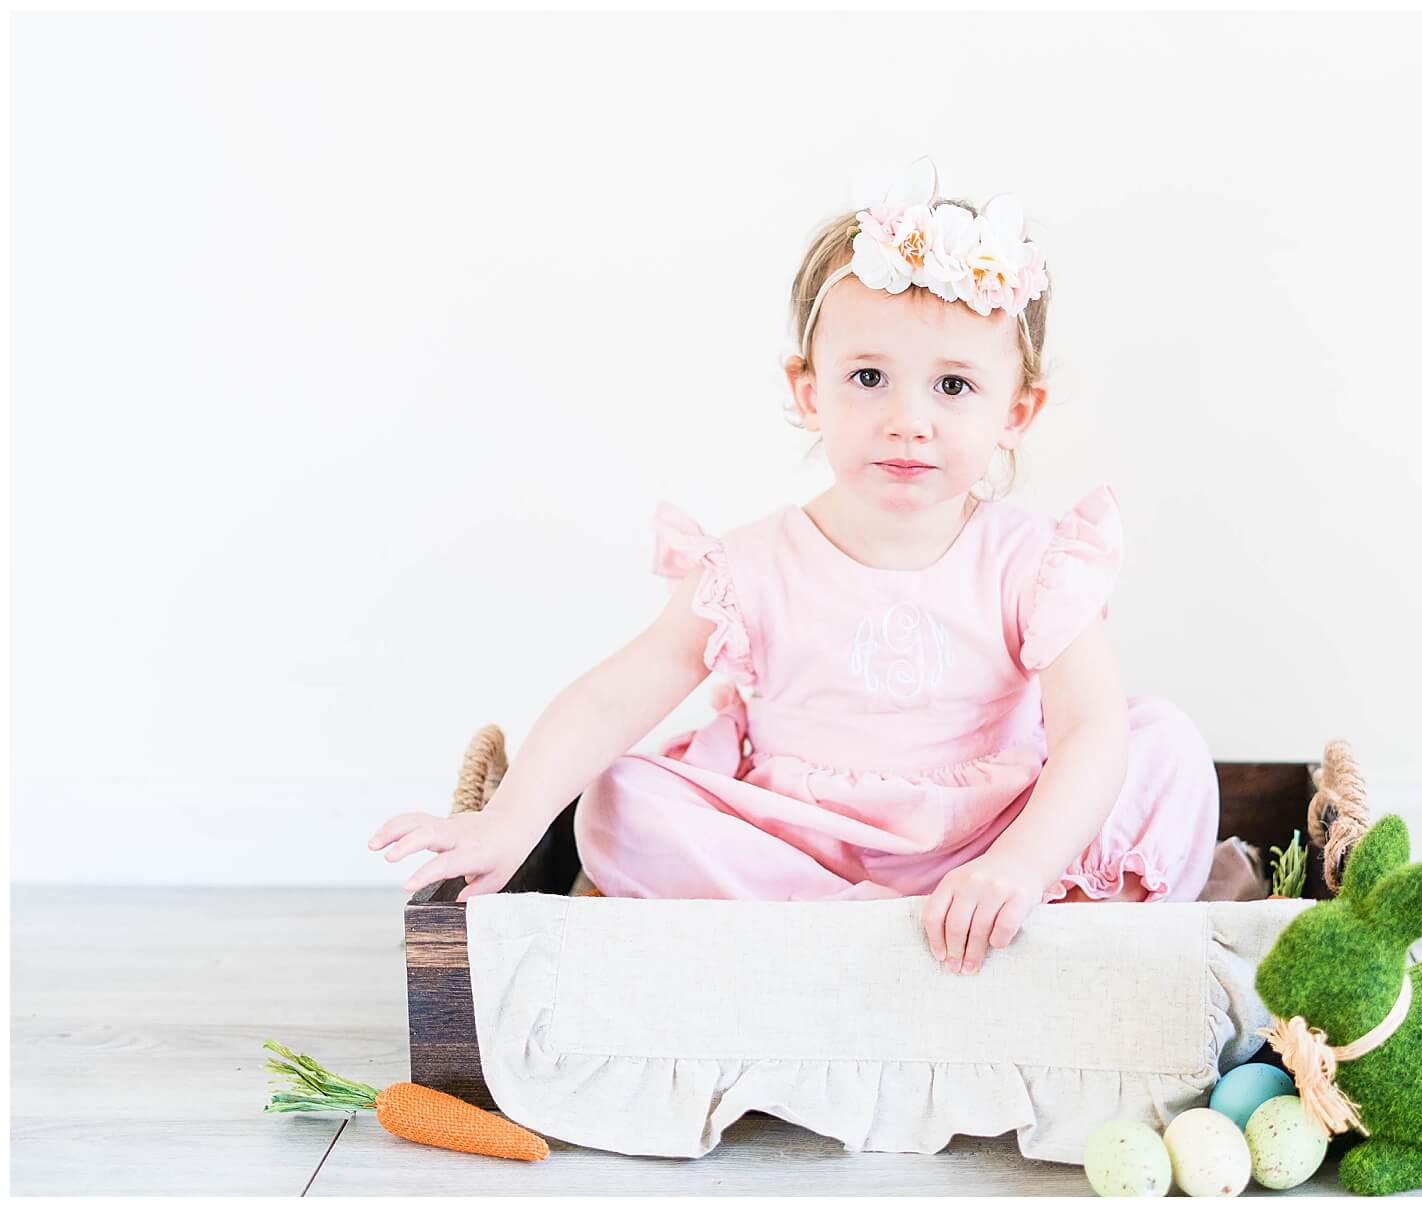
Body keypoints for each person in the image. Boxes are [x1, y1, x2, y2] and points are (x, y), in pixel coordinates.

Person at [368, 156, 1222, 977]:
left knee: (1164, 747)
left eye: (953, 387)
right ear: (811, 390)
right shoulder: (750, 568)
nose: (907, 420)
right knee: (620, 804)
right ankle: (872, 942)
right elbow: (611, 696)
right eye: (868, 377)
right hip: (799, 851)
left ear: (1017, 411)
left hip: (988, 837)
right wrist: (511, 820)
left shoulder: (1033, 562)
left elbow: (1089, 731)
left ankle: (996, 912)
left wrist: (1025, 863)